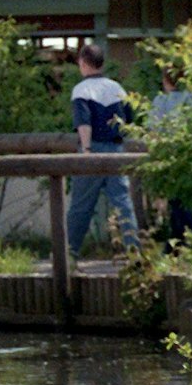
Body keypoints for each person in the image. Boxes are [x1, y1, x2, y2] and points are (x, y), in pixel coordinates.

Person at [68, 43, 139, 254]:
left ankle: (70, 251)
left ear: (83, 62)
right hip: (116, 150)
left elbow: (84, 123)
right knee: (123, 203)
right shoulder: (117, 88)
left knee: (81, 206)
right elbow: (129, 120)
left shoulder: (81, 90)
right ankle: (134, 251)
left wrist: (86, 149)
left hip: (93, 148)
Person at [148, 69, 192, 242]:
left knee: (177, 203)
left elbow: (153, 131)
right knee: (189, 203)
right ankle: (185, 241)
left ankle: (188, 240)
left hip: (168, 158)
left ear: (165, 80)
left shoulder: (161, 101)